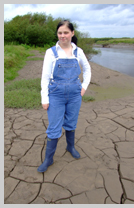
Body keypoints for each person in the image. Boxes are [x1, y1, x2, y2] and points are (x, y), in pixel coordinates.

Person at [37, 20, 91, 172]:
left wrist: (84, 86)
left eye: (66, 32)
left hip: (75, 94)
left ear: (72, 33)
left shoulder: (78, 51)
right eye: (60, 33)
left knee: (71, 123)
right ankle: (49, 159)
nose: (63, 36)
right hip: (56, 94)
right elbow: (45, 77)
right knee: (54, 127)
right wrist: (45, 98)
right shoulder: (51, 52)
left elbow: (87, 69)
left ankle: (70, 147)